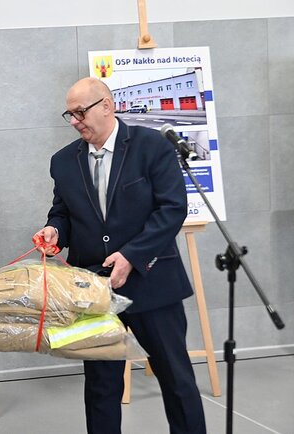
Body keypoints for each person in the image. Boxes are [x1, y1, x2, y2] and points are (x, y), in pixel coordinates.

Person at [35, 77, 206, 434]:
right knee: (101, 386)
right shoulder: (62, 161)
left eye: (80, 112)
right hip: (94, 290)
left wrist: (131, 256)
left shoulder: (152, 146)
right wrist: (54, 231)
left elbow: (172, 209)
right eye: (70, 114)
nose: (75, 121)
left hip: (152, 281)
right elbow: (62, 212)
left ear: (107, 106)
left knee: (176, 379)